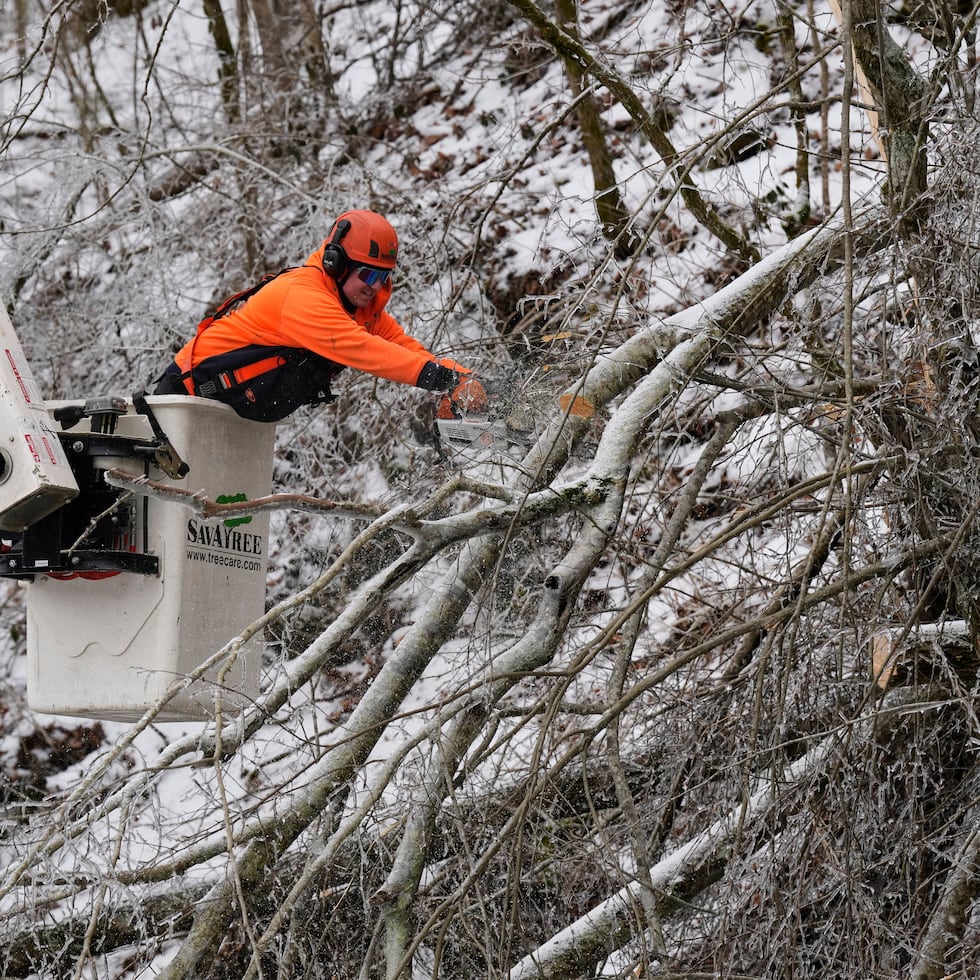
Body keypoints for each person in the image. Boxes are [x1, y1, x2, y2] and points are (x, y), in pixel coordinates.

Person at [154, 209, 486, 423]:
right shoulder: (302, 296)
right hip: (186, 398)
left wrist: (467, 379)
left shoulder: (358, 307)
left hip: (232, 415)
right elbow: (363, 350)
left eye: (383, 277)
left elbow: (403, 347)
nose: (375, 287)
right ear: (336, 263)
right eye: (368, 275)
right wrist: (445, 381)